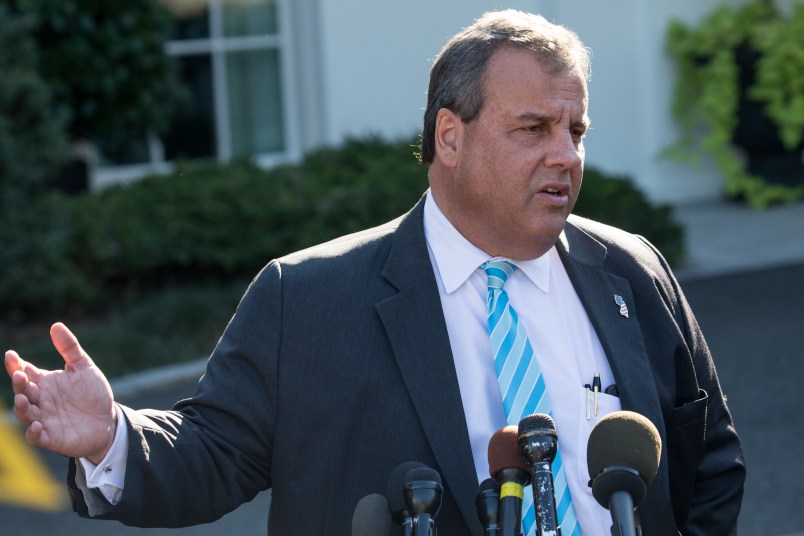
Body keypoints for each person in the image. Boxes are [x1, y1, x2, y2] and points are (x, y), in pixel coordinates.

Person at [4, 9, 744, 535]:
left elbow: (711, 462)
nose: (566, 156)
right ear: (449, 138)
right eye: (533, 129)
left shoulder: (631, 272)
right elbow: (213, 454)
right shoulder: (310, 299)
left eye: (575, 131)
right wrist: (110, 437)